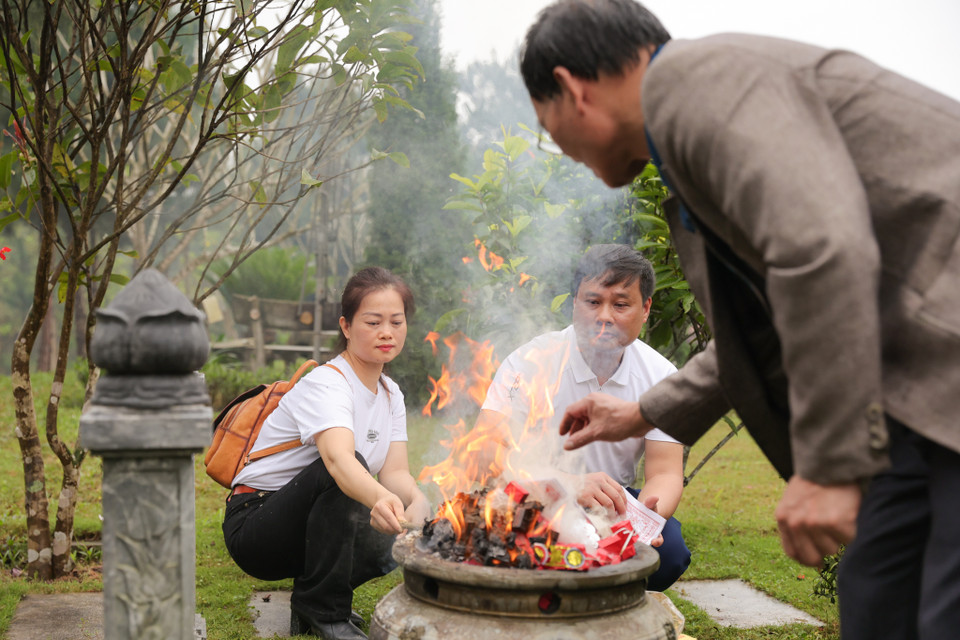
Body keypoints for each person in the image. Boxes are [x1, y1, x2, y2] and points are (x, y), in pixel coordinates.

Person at [519, 1, 960, 638]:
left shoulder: (706, 87)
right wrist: (641, 413)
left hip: (941, 374)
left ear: (571, 89)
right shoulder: (689, 131)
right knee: (879, 600)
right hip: (914, 395)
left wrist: (829, 467)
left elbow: (822, 253)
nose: (559, 147)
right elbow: (765, 325)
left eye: (546, 127)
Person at [221, 267, 430, 640]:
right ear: (346, 326)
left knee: (406, 522)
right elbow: (338, 461)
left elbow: (395, 474)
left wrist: (417, 499)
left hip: (309, 528)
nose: (387, 332)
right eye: (373, 322)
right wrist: (380, 498)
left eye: (396, 322)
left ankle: (312, 600)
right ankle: (326, 610)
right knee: (350, 472)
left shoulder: (390, 394)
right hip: (257, 525)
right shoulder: (328, 384)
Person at [479, 244, 690, 591]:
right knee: (515, 547)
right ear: (575, 303)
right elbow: (488, 452)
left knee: (668, 554)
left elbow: (665, 473)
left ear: (645, 309)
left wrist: (643, 520)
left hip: (612, 503)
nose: (604, 316)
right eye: (593, 302)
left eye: (620, 304)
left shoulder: (661, 377)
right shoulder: (530, 361)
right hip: (536, 494)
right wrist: (568, 484)